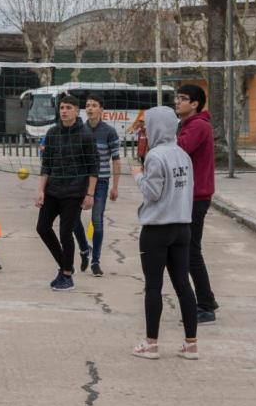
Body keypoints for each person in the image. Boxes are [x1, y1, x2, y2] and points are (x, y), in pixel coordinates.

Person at [131, 106, 199, 361]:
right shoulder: (183, 155)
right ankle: (191, 344)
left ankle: (151, 344)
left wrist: (138, 176)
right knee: (183, 284)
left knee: (153, 287)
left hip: (157, 229)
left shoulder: (155, 156)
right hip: (182, 227)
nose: (145, 130)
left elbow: (152, 193)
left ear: (157, 126)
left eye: (148, 125)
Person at [35, 95, 97, 292]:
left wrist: (90, 194)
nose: (63, 111)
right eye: (61, 107)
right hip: (53, 189)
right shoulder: (52, 133)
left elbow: (93, 168)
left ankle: (67, 276)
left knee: (65, 232)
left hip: (74, 192)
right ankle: (66, 265)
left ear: (76, 111)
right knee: (42, 228)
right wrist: (40, 190)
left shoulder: (86, 135)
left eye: (68, 107)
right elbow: (47, 164)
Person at [174, 84, 218, 324]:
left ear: (195, 104)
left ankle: (205, 305)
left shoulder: (198, 126)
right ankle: (206, 300)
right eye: (177, 97)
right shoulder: (188, 125)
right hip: (189, 196)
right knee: (188, 251)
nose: (177, 102)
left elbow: (179, 151)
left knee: (191, 252)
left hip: (196, 197)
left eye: (183, 99)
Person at [72, 95, 121, 278]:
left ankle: (96, 261)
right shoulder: (79, 130)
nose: (90, 108)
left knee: (97, 222)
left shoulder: (109, 132)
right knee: (72, 218)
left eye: (94, 105)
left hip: (101, 181)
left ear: (101, 109)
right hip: (80, 181)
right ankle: (85, 249)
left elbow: (116, 161)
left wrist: (115, 186)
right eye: (87, 105)